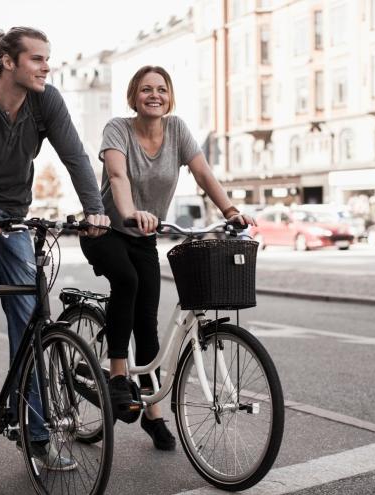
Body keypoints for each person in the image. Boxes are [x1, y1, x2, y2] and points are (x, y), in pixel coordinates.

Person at [0, 26, 109, 469]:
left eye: (47, 58)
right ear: (8, 62)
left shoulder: (46, 101)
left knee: (30, 312)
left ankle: (35, 434)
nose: (46, 67)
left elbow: (75, 156)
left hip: (13, 216)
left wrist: (95, 210)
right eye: (37, 59)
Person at [79, 66, 254, 451]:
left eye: (161, 89)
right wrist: (128, 213)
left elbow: (202, 172)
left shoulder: (176, 129)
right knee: (126, 281)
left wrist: (228, 211)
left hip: (143, 237)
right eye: (146, 89)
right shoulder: (117, 128)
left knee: (148, 325)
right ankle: (117, 374)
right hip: (106, 230)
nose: (154, 95)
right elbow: (117, 175)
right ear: (133, 96)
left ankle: (153, 413)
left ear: (169, 96)